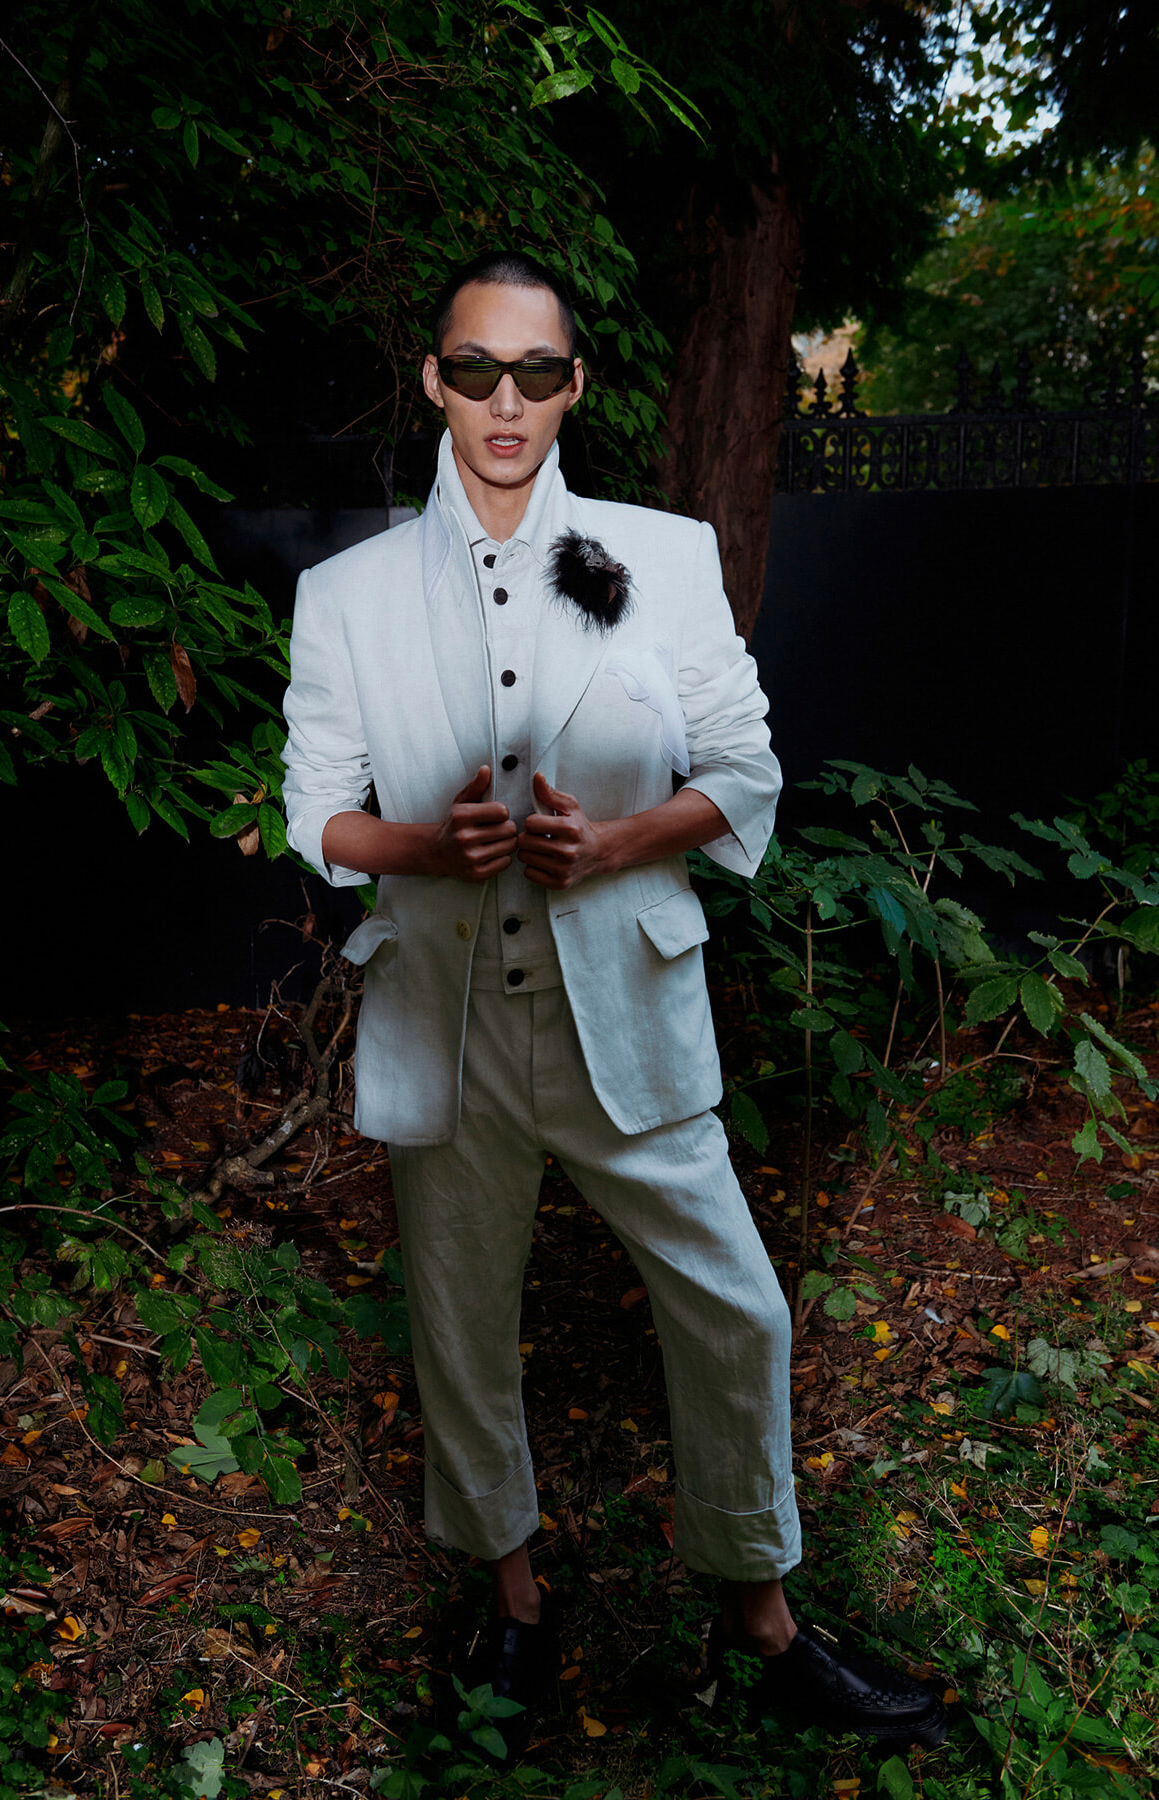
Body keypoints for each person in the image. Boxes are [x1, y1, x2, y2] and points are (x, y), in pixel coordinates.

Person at [281, 250, 946, 1754]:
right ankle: (511, 1609)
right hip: (447, 1022)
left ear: (573, 385)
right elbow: (315, 810)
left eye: (534, 372)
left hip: (624, 1020)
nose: (502, 401)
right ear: (435, 381)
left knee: (739, 1310)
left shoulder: (665, 553)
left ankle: (761, 1623)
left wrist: (626, 839)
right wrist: (419, 844)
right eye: (472, 369)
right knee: (461, 1329)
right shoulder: (347, 599)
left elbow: (746, 771)